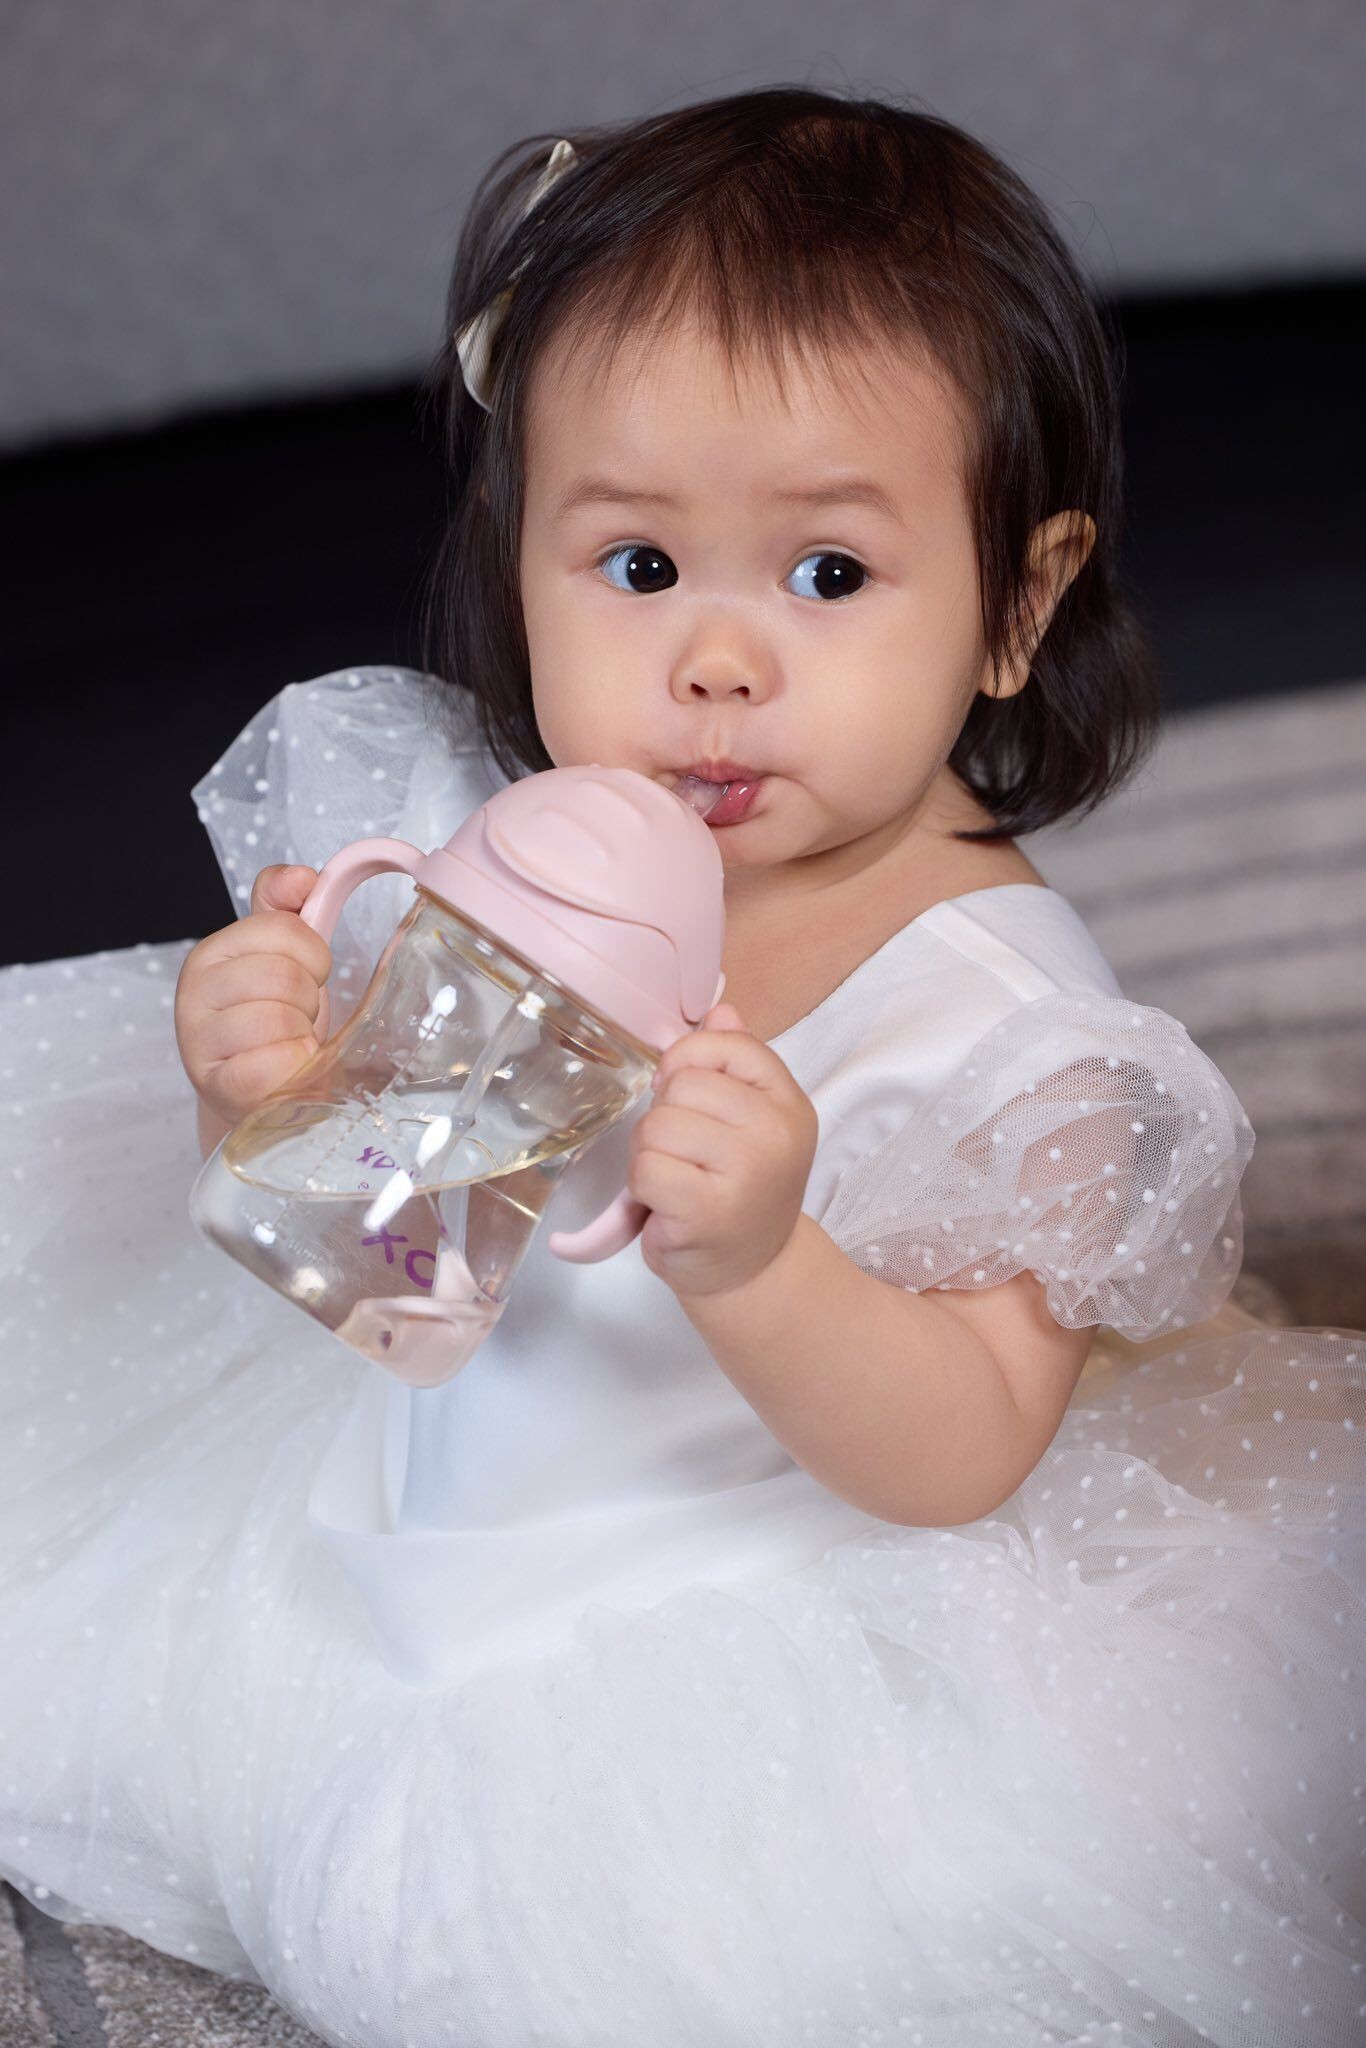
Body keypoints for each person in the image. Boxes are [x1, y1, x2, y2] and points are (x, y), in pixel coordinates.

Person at [2, 84, 1363, 2048]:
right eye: (637, 567)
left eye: (826, 575)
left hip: (728, 1601)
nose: (716, 662)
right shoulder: (508, 851)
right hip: (409, 1487)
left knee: (597, 1964)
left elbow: (961, 1454)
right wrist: (267, 1098)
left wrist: (762, 1260)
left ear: (1017, 601)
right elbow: (392, 1257)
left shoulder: (1014, 1036)